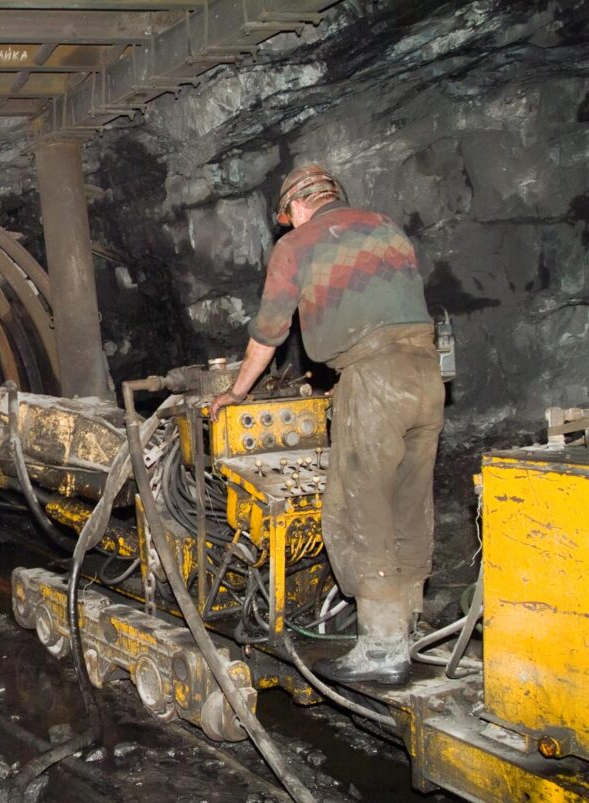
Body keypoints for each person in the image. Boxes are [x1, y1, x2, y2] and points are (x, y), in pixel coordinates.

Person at [210, 165, 444, 685]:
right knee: (410, 499)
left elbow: (269, 333)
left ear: (295, 207)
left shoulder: (298, 245)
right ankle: (407, 626)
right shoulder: (385, 226)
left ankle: (383, 648)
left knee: (363, 504)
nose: (288, 227)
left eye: (287, 219)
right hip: (427, 376)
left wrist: (234, 393)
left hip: (372, 378)